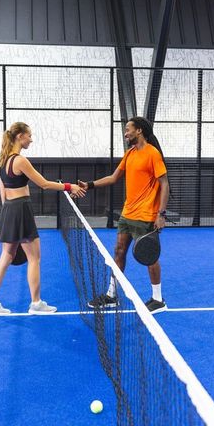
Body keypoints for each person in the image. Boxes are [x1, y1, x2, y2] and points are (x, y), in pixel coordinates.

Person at [0, 122, 86, 315]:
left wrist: (9, 214)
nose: (31, 139)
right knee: (34, 258)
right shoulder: (20, 160)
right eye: (29, 135)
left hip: (9, 210)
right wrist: (70, 187)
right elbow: (44, 184)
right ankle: (36, 304)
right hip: (21, 209)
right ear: (20, 136)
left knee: (6, 256)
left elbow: (3, 192)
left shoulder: (2, 160)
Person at [79, 117, 169, 314]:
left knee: (150, 256)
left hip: (146, 215)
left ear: (139, 131)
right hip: (127, 214)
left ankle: (158, 299)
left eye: (128, 129)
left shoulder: (152, 154)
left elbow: (165, 185)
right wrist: (90, 185)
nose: (125, 133)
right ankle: (111, 295)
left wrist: (161, 214)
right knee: (119, 251)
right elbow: (113, 177)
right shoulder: (130, 154)